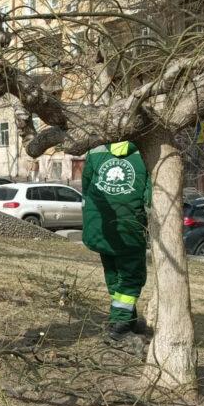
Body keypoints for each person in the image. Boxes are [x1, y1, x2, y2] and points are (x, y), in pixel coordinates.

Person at [80, 140, 152, 340]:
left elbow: (86, 187)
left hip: (100, 227)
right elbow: (150, 197)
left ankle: (127, 319)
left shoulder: (96, 149)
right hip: (129, 228)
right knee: (131, 277)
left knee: (113, 273)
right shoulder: (147, 150)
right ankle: (119, 325)